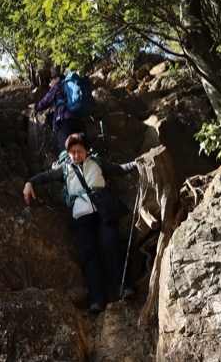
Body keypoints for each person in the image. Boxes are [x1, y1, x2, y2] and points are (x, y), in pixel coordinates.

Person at [23, 132, 137, 312]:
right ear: (68, 153)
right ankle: (97, 298)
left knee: (112, 243)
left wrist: (138, 163)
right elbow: (45, 176)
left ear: (86, 150)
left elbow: (119, 169)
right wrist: (30, 183)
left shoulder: (97, 162)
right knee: (90, 253)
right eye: (73, 152)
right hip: (82, 215)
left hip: (104, 209)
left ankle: (122, 286)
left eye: (80, 151)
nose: (76, 155)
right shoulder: (64, 169)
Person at [29, 73, 87, 153]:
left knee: (66, 152)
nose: (49, 85)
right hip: (80, 121)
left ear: (57, 79)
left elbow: (46, 101)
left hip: (66, 122)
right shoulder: (73, 86)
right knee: (83, 151)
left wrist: (36, 106)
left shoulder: (58, 85)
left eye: (50, 81)